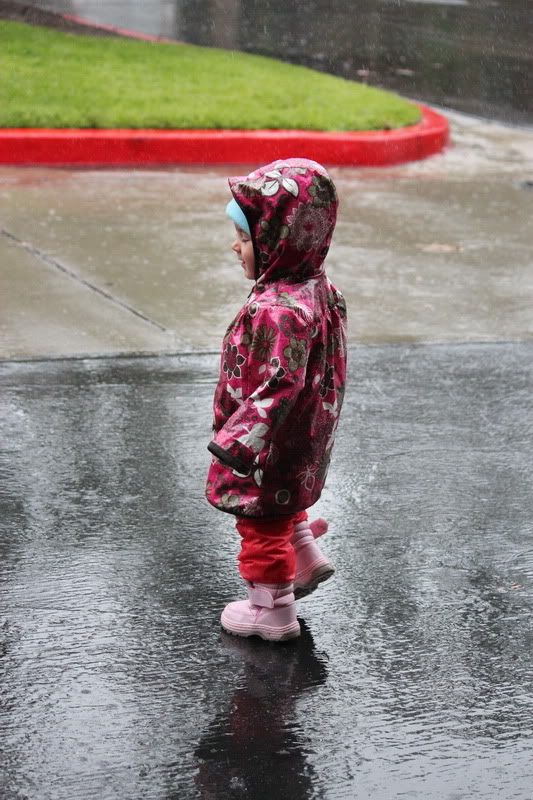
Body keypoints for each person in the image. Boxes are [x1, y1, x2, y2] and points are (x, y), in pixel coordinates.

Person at [206, 157, 347, 641]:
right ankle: (304, 553)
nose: (235, 246)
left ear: (278, 241)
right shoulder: (318, 289)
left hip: (265, 439)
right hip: (303, 432)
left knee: (259, 519)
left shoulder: (276, 309)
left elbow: (280, 383)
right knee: (283, 494)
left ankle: (272, 611)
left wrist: (239, 441)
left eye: (245, 238)